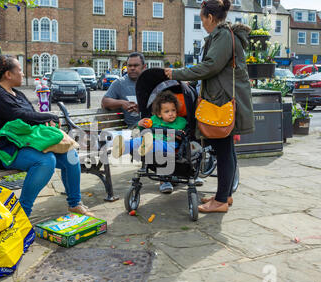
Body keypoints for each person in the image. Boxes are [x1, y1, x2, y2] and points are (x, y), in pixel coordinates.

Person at [164, 0, 254, 213]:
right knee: (227, 150)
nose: (202, 22)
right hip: (225, 98)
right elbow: (215, 69)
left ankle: (221, 201)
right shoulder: (222, 35)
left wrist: (177, 73)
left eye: (202, 18)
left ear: (210, 18)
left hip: (222, 101)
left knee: (223, 151)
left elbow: (210, 66)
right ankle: (225, 195)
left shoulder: (222, 35)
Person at [0, 55, 94, 218]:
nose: (22, 73)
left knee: (71, 156)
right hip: (3, 149)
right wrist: (49, 117)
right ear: (8, 74)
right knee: (45, 161)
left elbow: (31, 114)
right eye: (19, 70)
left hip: (26, 144)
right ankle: (22, 213)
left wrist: (45, 121)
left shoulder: (17, 93)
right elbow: (18, 115)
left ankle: (75, 204)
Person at [112, 91, 196, 194]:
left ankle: (147, 146)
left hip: (169, 143)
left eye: (173, 110)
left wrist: (180, 132)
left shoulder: (180, 121)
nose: (171, 114)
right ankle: (123, 147)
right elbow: (142, 127)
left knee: (156, 143)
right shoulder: (154, 120)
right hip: (153, 140)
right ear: (159, 114)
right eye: (167, 111)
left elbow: (183, 132)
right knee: (139, 140)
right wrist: (141, 124)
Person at [101, 52, 147, 129]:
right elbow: (104, 102)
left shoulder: (151, 81)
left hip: (156, 127)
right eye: (129, 65)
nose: (132, 68)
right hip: (134, 130)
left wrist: (142, 108)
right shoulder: (120, 83)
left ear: (144, 67)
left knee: (169, 137)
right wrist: (122, 103)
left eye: (136, 65)